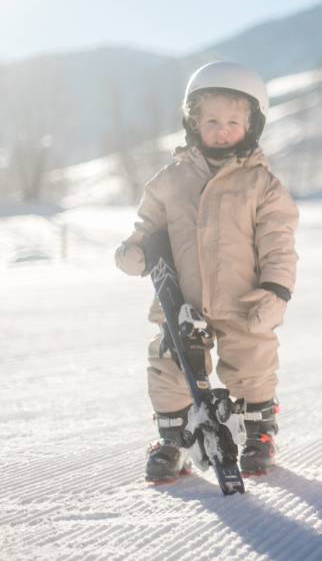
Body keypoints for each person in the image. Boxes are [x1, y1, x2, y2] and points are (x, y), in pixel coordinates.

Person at [115, 61, 299, 483]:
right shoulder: (171, 179)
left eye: (233, 121)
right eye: (211, 120)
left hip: (244, 298)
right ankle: (173, 439)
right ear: (192, 122)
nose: (221, 129)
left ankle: (259, 434)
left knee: (251, 363)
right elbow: (148, 228)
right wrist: (135, 251)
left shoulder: (261, 184)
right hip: (182, 300)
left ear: (252, 126)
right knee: (168, 365)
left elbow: (279, 243)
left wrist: (276, 290)